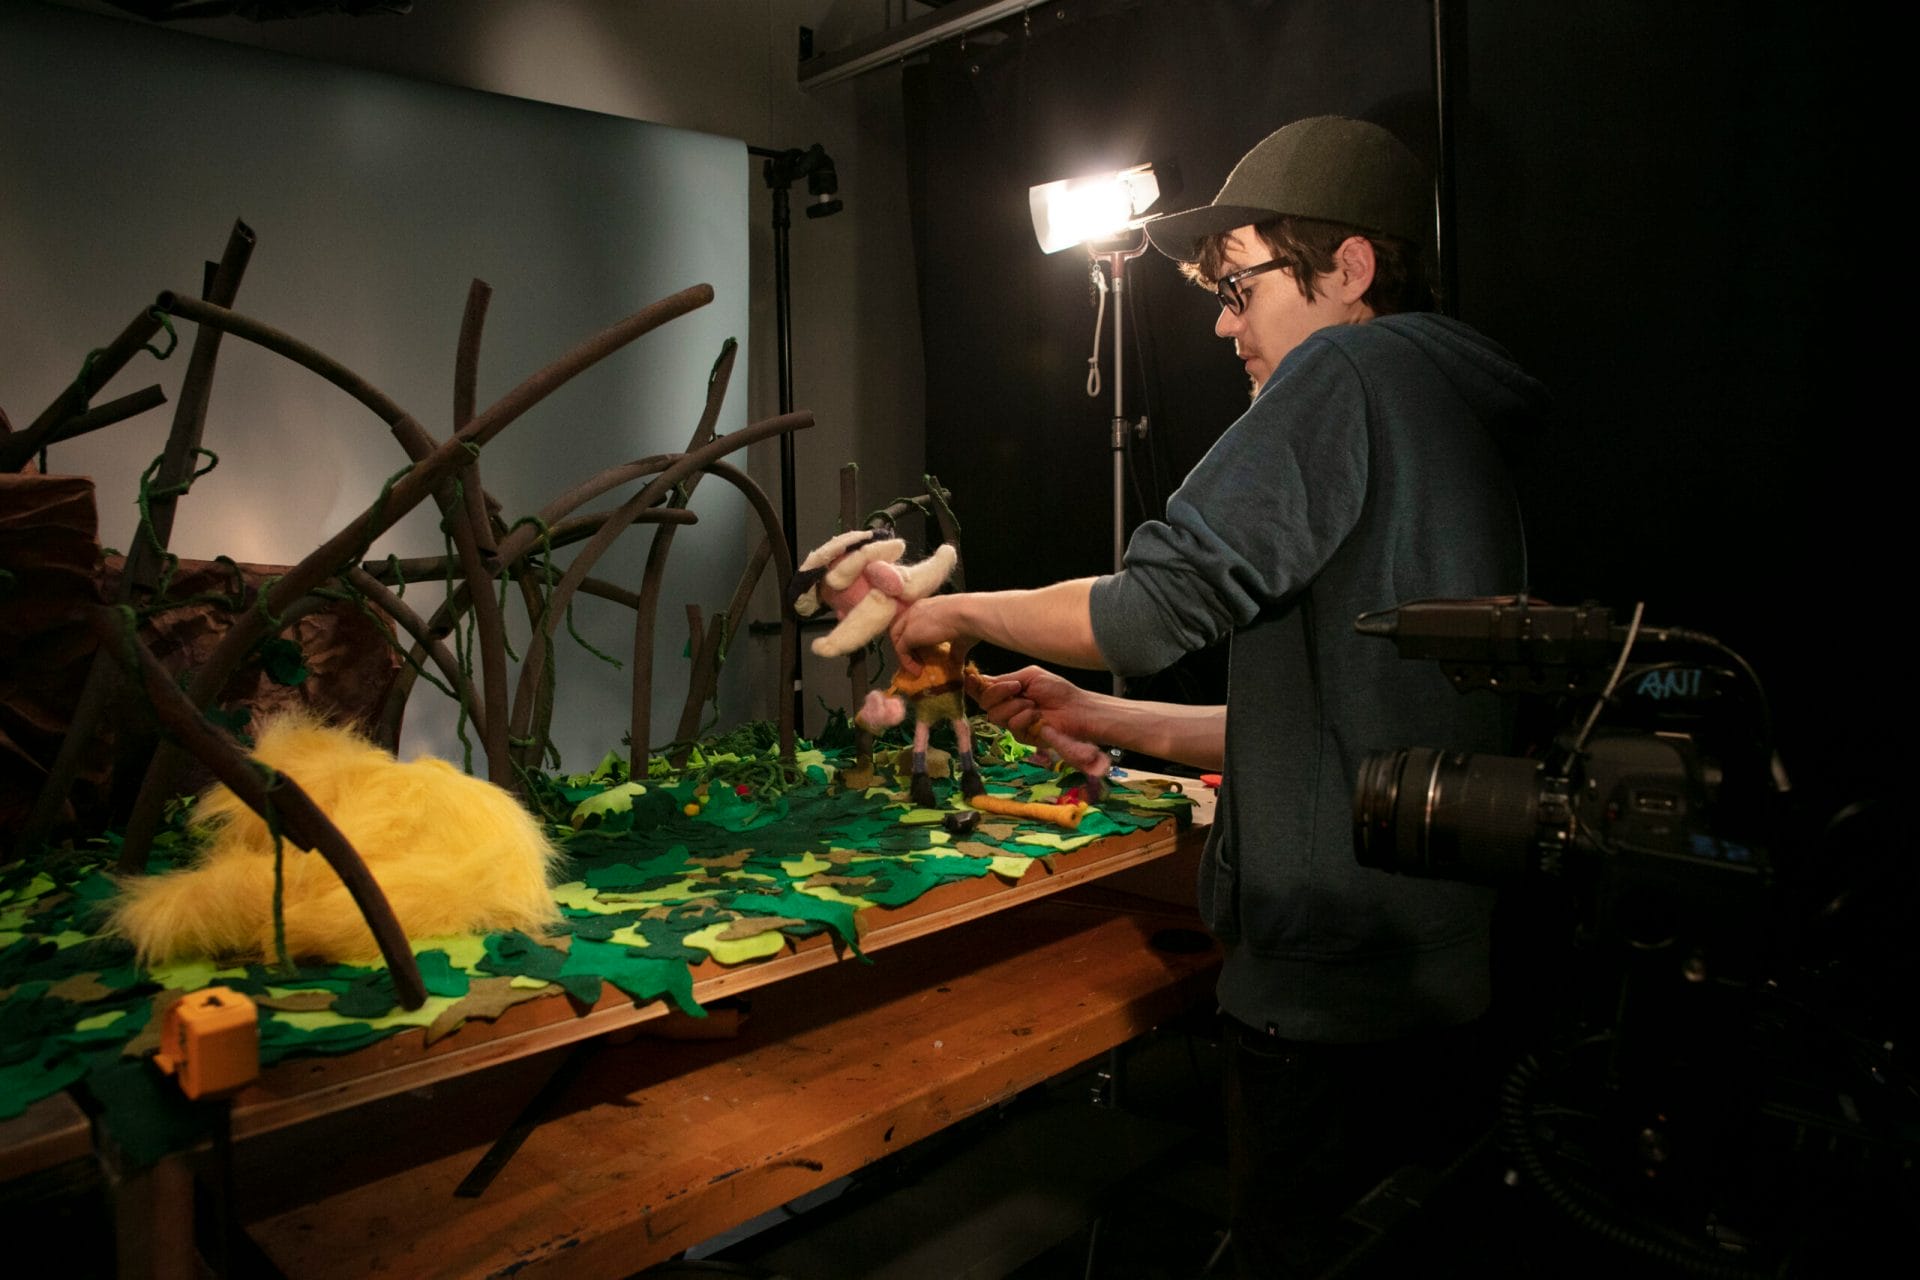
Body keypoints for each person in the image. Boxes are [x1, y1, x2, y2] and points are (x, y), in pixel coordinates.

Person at [891, 115, 1550, 1276]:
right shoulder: (1456, 409)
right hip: (1448, 987)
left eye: (1242, 285)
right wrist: (1094, 714)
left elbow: (1146, 612)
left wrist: (955, 611)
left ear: (1349, 269)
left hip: (1326, 1013)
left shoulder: (1346, 370)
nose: (1222, 321)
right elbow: (1337, 722)